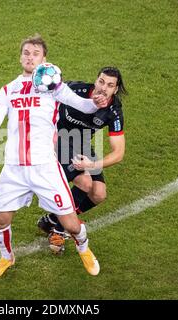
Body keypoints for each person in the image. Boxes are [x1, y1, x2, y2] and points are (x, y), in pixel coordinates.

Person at [0, 34, 108, 278]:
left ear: (44, 59)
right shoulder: (9, 89)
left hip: (45, 168)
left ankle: (84, 249)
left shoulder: (53, 85)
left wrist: (97, 102)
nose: (30, 57)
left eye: (35, 53)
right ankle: (6, 258)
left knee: (72, 224)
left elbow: (82, 105)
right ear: (21, 57)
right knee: (0, 221)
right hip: (14, 168)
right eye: (26, 53)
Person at [37, 67, 127, 254]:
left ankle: (53, 219)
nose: (104, 88)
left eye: (110, 85)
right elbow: (46, 96)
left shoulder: (113, 112)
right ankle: (60, 229)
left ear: (115, 90)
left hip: (81, 143)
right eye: (101, 82)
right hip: (57, 137)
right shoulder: (76, 90)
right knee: (85, 183)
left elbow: (118, 153)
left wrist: (92, 165)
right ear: (96, 81)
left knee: (99, 194)